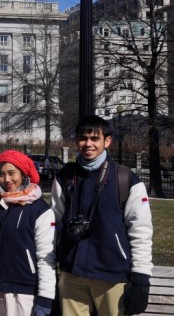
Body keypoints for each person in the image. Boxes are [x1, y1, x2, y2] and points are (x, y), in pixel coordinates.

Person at [51, 115, 153, 315]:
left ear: (107, 141)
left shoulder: (125, 178)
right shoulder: (65, 176)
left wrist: (141, 277)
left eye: (94, 138)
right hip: (72, 272)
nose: (88, 144)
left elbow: (141, 231)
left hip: (112, 274)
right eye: (83, 138)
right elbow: (54, 224)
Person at [0, 150, 56, 316]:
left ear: (23, 174)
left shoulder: (40, 210)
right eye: (1, 174)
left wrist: (45, 298)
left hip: (22, 292)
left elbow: (46, 257)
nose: (7, 179)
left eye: (11, 173)